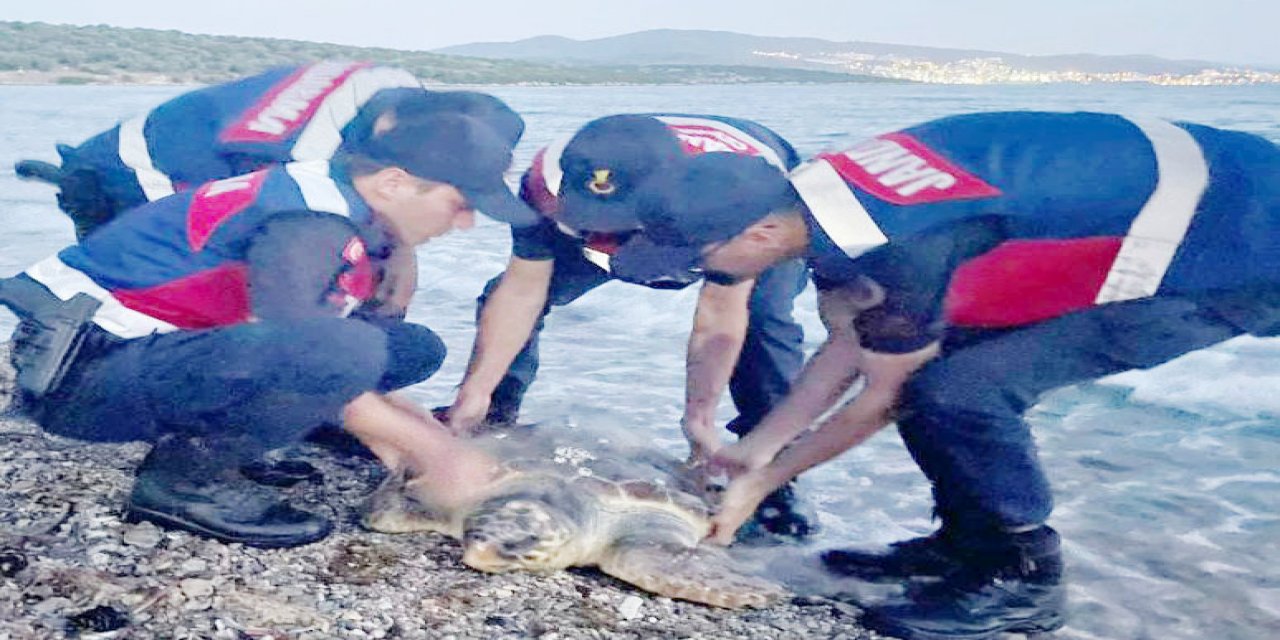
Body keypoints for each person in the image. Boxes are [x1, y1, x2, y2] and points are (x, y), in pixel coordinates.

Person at [626, 111, 1280, 639]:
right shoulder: (819, 207)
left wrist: (765, 483)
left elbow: (879, 395)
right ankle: (966, 545)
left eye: (701, 258)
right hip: (1197, 188)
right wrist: (757, 447)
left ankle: (1021, 580)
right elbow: (857, 341)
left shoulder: (902, 240)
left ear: (764, 232)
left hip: (1237, 243)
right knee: (934, 369)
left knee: (961, 390)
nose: (701, 275)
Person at [0, 112, 539, 548]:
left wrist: (402, 419)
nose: (465, 222)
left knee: (409, 349)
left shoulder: (332, 195)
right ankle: (182, 484)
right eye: (460, 204)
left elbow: (319, 332)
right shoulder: (309, 223)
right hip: (81, 381)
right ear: (395, 183)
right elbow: (306, 344)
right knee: (343, 352)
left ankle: (306, 420)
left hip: (138, 355)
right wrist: (439, 455)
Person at [439, 114, 816, 540]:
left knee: (765, 324)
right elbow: (523, 290)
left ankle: (772, 474)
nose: (601, 229)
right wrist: (475, 392)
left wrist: (699, 421)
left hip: (731, 214)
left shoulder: (728, 200)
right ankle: (490, 423)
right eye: (591, 217)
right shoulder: (546, 185)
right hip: (644, 207)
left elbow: (719, 315)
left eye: (614, 221)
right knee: (500, 295)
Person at [14, 60, 523, 240]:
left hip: (127, 153)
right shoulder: (306, 148)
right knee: (189, 278)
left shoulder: (395, 89)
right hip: (129, 175)